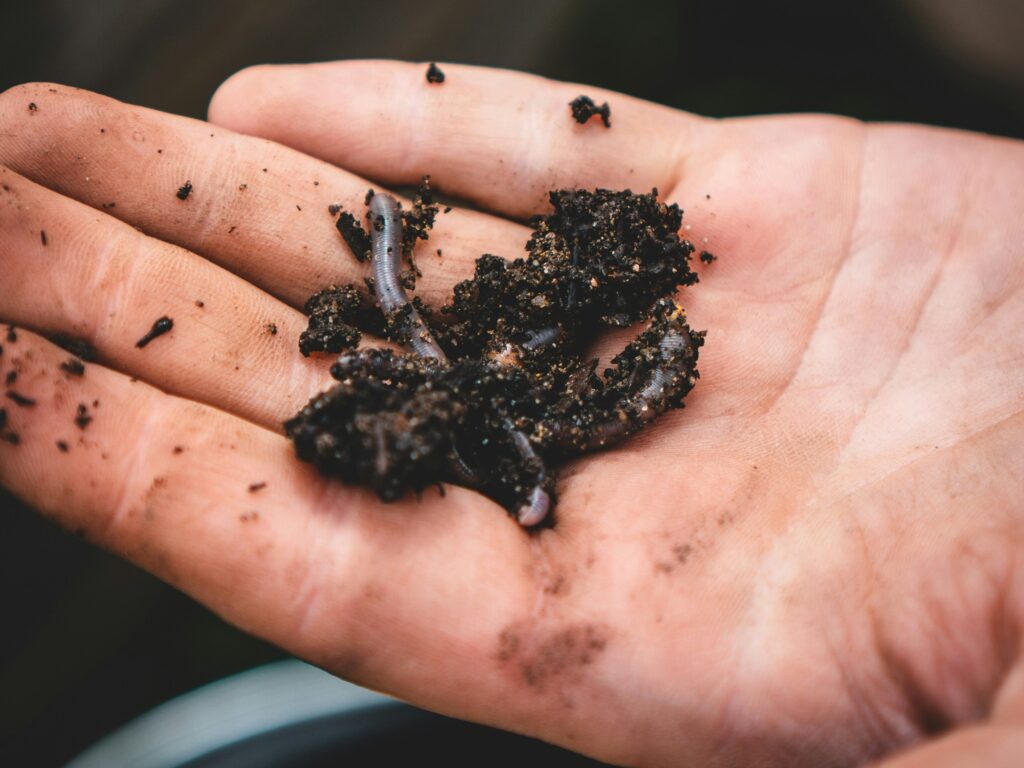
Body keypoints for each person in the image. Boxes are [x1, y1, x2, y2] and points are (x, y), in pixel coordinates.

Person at [0, 61, 1021, 767]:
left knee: (425, 335)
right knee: (423, 334)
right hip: (477, 385)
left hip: (492, 390)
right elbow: (442, 357)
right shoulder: (479, 377)